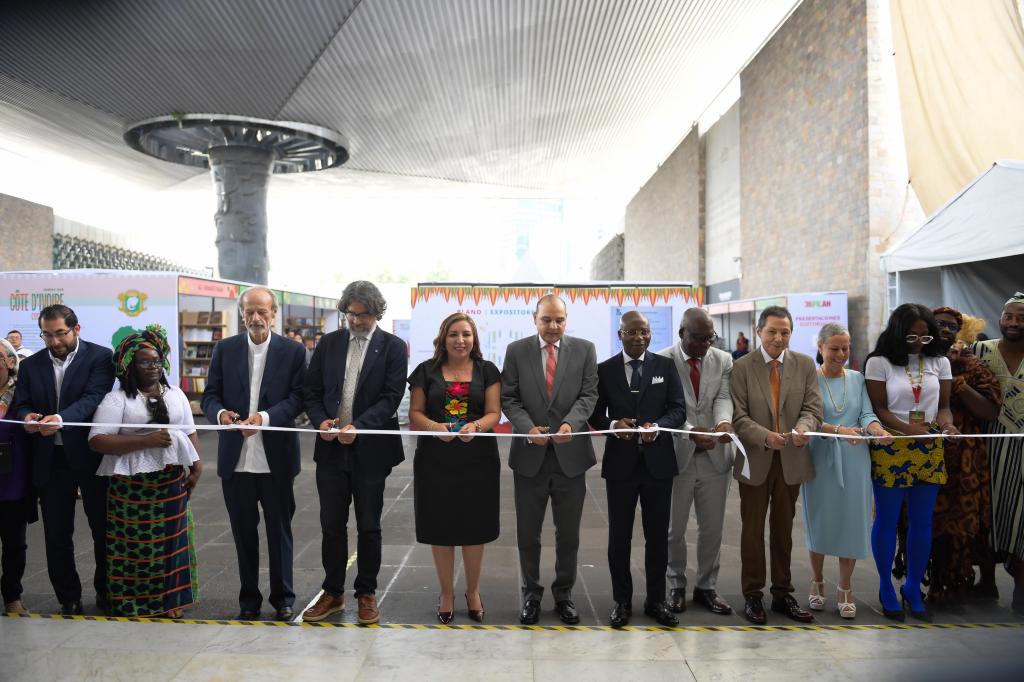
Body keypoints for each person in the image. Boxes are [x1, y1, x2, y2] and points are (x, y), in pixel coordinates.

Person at [302, 281, 407, 625]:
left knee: (369, 525)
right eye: (351, 313)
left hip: (371, 451)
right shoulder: (329, 343)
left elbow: (390, 398)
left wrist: (358, 427)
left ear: (377, 313)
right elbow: (312, 391)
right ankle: (332, 592)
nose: (356, 320)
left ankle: (366, 593)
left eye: (363, 314)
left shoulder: (392, 347)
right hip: (330, 449)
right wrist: (321, 422)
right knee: (331, 524)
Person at [201, 287, 307, 621]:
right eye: (249, 312)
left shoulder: (293, 352)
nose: (255, 318)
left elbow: (298, 398)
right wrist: (222, 416)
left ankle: (283, 597)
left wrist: (265, 418)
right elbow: (210, 397)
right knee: (243, 534)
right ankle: (249, 600)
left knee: (279, 531)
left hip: (275, 458)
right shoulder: (225, 349)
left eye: (262, 311)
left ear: (274, 313)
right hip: (236, 459)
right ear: (241, 314)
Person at [88, 326, 203, 618]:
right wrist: (144, 440)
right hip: (131, 486)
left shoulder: (175, 394)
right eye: (144, 362)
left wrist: (197, 466)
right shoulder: (117, 400)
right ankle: (135, 604)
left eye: (156, 360)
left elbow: (188, 431)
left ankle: (171, 602)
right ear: (129, 366)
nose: (152, 367)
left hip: (171, 480)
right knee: (136, 546)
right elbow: (98, 440)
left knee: (171, 542)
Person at [10, 304, 114, 615]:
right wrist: (25, 416)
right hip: (50, 458)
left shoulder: (100, 357)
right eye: (47, 335)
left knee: (103, 529)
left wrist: (60, 418)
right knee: (56, 533)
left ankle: (106, 592)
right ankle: (68, 596)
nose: (55, 342)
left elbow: (94, 397)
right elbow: (20, 402)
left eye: (61, 334)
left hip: (90, 455)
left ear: (76, 329)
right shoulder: (31, 366)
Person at [501, 294, 598, 625]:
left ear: (566, 320)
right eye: (547, 320)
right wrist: (528, 429)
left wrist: (572, 423)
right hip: (530, 457)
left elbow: (589, 394)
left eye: (559, 320)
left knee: (568, 533)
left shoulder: (584, 350)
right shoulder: (516, 352)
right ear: (534, 319)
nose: (553, 326)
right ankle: (531, 593)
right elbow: (509, 398)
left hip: (571, 457)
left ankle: (564, 594)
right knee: (528, 533)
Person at [590, 311, 685, 627]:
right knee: (620, 538)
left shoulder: (665, 366)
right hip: (621, 466)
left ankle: (656, 601)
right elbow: (595, 414)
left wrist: (658, 426)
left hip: (658, 465)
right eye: (632, 332)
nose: (639, 337)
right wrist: (614, 425)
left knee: (657, 537)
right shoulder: (605, 370)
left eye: (644, 331)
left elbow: (678, 409)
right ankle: (622, 601)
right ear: (620, 335)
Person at [865, 303, 958, 622]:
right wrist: (909, 431)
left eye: (926, 336)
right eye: (911, 335)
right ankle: (886, 587)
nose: (919, 342)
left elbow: (944, 406)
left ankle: (913, 586)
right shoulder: (879, 362)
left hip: (929, 445)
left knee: (922, 521)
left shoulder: (940, 362)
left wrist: (947, 425)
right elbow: (878, 408)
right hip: (892, 444)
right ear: (897, 332)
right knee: (887, 520)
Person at [730, 305, 822, 624]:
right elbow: (738, 417)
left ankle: (782, 593)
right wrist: (766, 437)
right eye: (772, 331)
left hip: (791, 461)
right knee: (752, 532)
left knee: (783, 531)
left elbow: (812, 408)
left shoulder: (806, 365)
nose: (778, 338)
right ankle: (753, 595)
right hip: (755, 460)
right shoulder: (741, 367)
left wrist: (805, 428)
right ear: (758, 331)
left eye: (785, 332)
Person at [407, 313, 501, 623]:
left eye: (466, 334)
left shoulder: (488, 371)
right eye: (453, 334)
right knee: (441, 527)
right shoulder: (425, 372)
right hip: (436, 461)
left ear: (474, 340)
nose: (460, 340)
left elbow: (493, 414)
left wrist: (474, 426)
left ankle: (472, 591)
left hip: (479, 461)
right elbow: (416, 413)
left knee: (475, 528)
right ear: (442, 339)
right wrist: (436, 427)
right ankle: (446, 592)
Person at [801, 324, 892, 619]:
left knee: (853, 522)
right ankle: (816, 581)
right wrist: (838, 429)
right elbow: (808, 418)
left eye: (846, 348)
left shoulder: (857, 378)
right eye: (834, 348)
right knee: (820, 520)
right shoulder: (809, 379)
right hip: (821, 457)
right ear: (820, 347)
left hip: (855, 459)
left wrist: (876, 428)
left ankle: (844, 586)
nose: (841, 354)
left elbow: (866, 413)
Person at [914, 307, 1000, 609]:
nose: (946, 329)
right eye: (939, 324)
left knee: (960, 526)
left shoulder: (972, 364)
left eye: (952, 325)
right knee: (927, 523)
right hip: (922, 450)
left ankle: (955, 587)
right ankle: (930, 584)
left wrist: (958, 383)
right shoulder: (914, 362)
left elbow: (990, 409)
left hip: (964, 456)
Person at [658, 308, 735, 616]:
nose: (705, 344)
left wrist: (723, 424)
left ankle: (706, 586)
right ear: (681, 334)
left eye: (710, 338)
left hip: (716, 457)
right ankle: (676, 585)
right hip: (678, 456)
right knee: (674, 530)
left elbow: (722, 397)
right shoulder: (662, 361)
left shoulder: (724, 360)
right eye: (699, 338)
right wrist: (690, 433)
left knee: (712, 528)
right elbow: (666, 407)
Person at [970, 292, 1024, 617]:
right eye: (1009, 317)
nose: (1014, 323)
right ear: (1000, 318)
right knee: (984, 513)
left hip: (1021, 448)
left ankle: (1020, 587)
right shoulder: (980, 351)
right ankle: (985, 581)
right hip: (984, 447)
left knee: (1020, 517)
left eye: (1020, 317)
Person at [0, 338, 35, 614]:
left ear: (11, 363)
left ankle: (12, 595)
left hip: (13, 485)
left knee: (14, 545)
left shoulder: (22, 397)